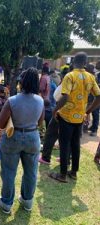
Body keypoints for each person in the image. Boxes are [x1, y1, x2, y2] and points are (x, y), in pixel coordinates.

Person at [0, 68, 44, 214]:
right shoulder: (40, 100)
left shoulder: (13, 100)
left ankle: (6, 203)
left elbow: (0, 124)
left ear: (21, 82)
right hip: (32, 138)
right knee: (31, 172)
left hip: (13, 137)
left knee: (9, 172)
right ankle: (27, 201)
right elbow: (40, 123)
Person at [50, 52, 100, 183]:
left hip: (66, 116)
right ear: (85, 63)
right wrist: (88, 111)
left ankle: (62, 174)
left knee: (64, 144)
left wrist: (55, 109)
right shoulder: (90, 77)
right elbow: (98, 96)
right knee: (76, 144)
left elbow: (65, 96)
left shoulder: (70, 76)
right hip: (80, 117)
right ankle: (73, 172)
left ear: (73, 62)